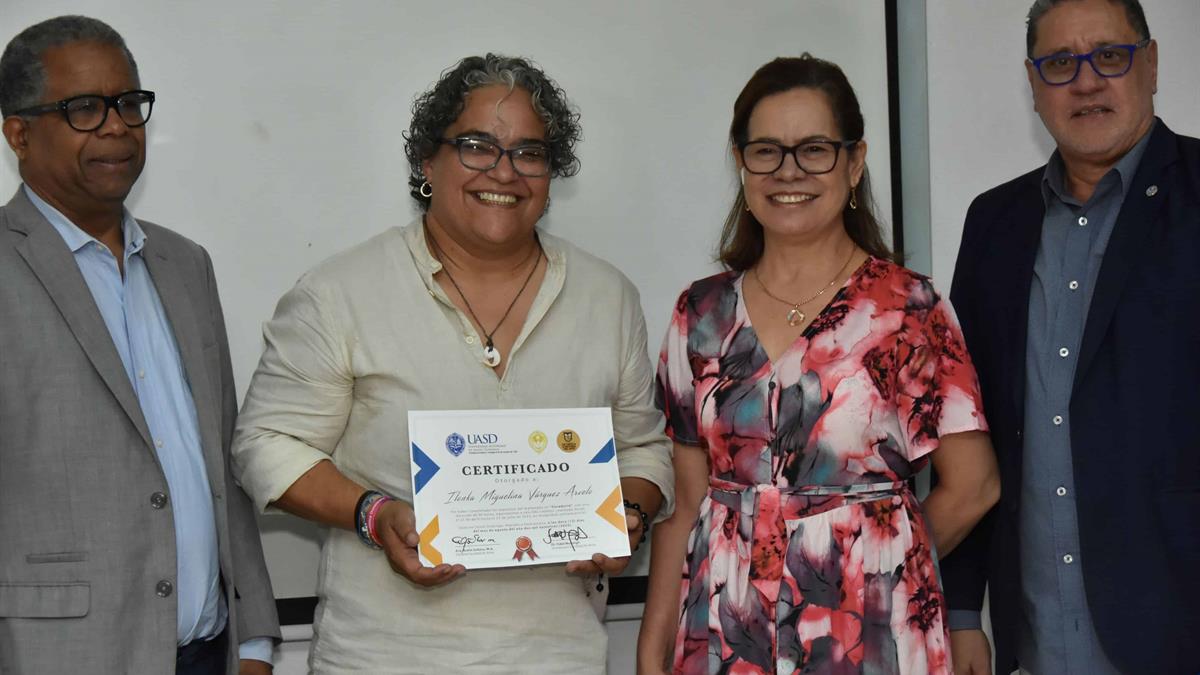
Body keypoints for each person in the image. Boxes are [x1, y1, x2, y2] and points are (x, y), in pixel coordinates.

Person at [230, 53, 674, 673]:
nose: (504, 171)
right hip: (381, 657)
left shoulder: (607, 297)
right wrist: (373, 514)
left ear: (551, 173)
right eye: (476, 146)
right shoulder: (340, 293)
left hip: (560, 654)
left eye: (529, 152)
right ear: (426, 161)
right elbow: (265, 445)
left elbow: (644, 450)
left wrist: (631, 513)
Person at [637, 54, 1000, 675]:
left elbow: (975, 486)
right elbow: (689, 501)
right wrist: (651, 653)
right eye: (767, 151)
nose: (789, 170)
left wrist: (874, 566)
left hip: (865, 635)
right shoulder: (699, 313)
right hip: (723, 633)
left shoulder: (908, 308)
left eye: (814, 150)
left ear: (854, 163)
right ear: (741, 164)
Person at [0, 15, 279, 675]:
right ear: (19, 133)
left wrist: (255, 638)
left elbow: (222, 460)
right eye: (84, 109)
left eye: (128, 103)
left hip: (208, 651)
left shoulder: (186, 264)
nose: (117, 127)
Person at [943, 1, 1200, 673]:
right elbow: (968, 424)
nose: (1086, 82)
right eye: (1059, 63)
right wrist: (962, 609)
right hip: (1038, 640)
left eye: (1109, 56)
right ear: (1033, 85)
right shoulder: (994, 223)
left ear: (1151, 64)